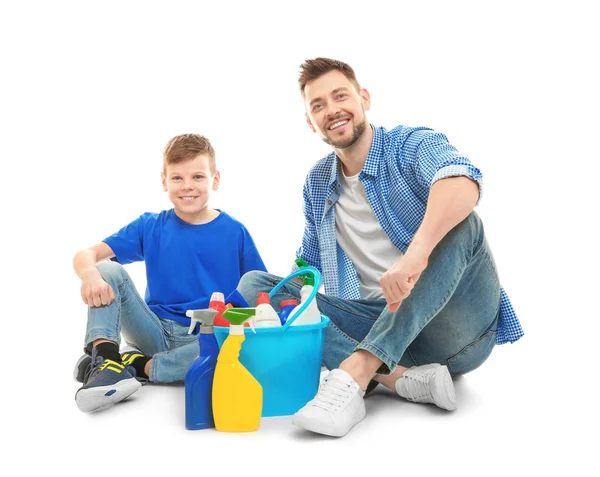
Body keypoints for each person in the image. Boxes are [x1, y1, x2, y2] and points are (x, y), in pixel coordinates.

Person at [236, 58, 523, 437]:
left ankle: (356, 373)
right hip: (380, 325)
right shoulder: (318, 182)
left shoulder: (410, 144)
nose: (331, 110)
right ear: (310, 121)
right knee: (256, 285)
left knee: (465, 223)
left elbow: (461, 182)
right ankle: (400, 379)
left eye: (340, 96)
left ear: (364, 98)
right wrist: (282, 312)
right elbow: (306, 266)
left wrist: (414, 256)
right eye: (317, 105)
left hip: (455, 328)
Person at [73, 133, 267, 413]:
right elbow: (85, 255)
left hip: (208, 334)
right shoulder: (150, 226)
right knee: (106, 269)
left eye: (198, 177)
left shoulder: (235, 232)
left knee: (234, 348)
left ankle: (139, 365)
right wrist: (90, 275)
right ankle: (105, 359)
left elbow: (258, 291)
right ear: (164, 181)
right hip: (153, 330)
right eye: (177, 178)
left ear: (215, 179)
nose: (187, 186)